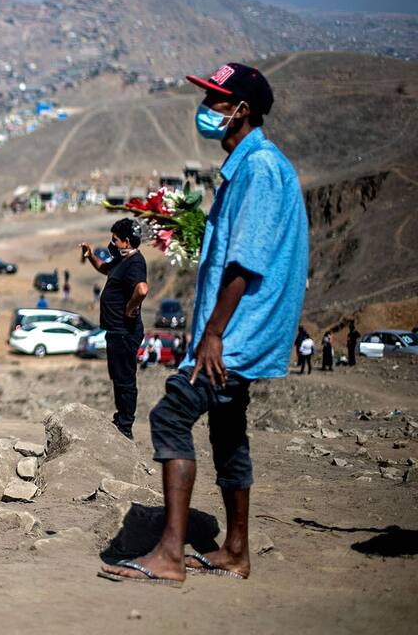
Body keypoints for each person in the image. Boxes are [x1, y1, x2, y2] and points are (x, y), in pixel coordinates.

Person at [100, 62, 307, 585]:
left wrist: (213, 333)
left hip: (236, 334)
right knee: (228, 430)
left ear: (243, 110)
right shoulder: (248, 166)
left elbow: (245, 262)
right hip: (238, 332)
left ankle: (169, 554)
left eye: (217, 100)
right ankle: (235, 551)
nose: (207, 109)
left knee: (171, 417)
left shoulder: (259, 168)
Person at [81, 218, 149, 439]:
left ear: (127, 241)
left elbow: (142, 289)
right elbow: (104, 269)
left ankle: (126, 426)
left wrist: (130, 307)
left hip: (125, 332)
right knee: (117, 376)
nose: (112, 243)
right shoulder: (121, 260)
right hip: (115, 332)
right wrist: (91, 255)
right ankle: (121, 418)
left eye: (115, 240)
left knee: (125, 379)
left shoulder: (136, 262)